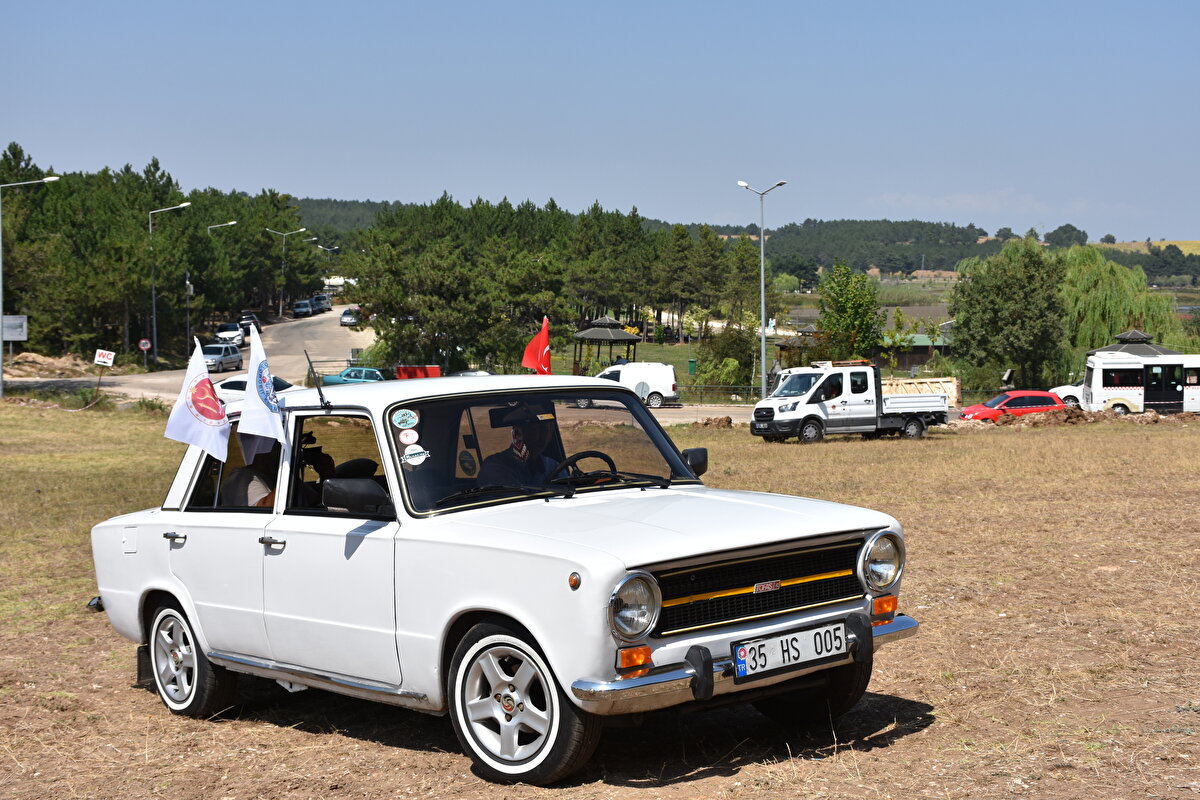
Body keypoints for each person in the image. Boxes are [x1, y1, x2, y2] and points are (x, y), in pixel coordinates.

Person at [478, 404, 560, 486]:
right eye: (532, 429)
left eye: (544, 429)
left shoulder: (553, 466)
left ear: (550, 434)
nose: (538, 436)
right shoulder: (494, 467)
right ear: (517, 433)